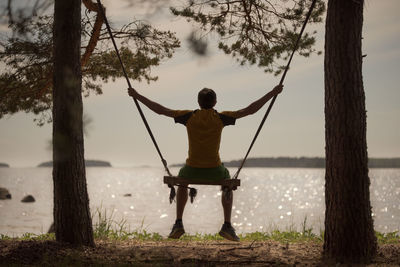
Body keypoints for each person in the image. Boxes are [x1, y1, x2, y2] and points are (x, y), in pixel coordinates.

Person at [128, 84, 283, 241]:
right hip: (215, 170)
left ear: (198, 102)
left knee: (182, 178)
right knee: (227, 180)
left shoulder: (189, 117)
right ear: (215, 102)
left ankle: (178, 222)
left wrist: (137, 95)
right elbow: (249, 110)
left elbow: (161, 110)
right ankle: (227, 225)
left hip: (191, 170)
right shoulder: (220, 118)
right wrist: (272, 93)